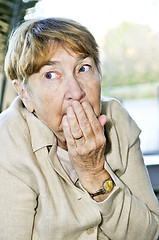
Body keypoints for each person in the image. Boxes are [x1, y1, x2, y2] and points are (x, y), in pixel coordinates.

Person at [0, 17, 159, 240]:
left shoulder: (118, 119)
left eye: (83, 68)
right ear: (24, 94)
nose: (75, 92)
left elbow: (148, 235)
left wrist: (94, 173)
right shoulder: (7, 138)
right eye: (50, 75)